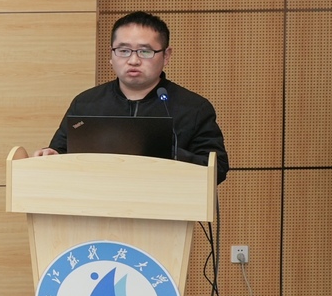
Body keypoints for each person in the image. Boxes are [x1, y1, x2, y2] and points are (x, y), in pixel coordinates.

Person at [34, 11, 229, 184]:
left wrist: (166, 153)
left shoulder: (193, 107)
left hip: (164, 207)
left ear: (166, 56)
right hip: (96, 205)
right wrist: (52, 154)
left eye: (145, 52)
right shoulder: (87, 103)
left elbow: (217, 169)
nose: (133, 60)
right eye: (123, 51)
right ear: (111, 55)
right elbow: (60, 152)